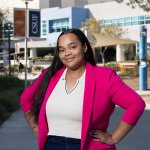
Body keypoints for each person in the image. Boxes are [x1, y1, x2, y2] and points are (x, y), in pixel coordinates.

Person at [20, 28, 145, 150]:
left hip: (88, 145)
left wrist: (114, 138)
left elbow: (136, 104)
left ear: (84, 48)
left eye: (72, 47)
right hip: (52, 144)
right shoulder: (50, 75)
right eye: (62, 50)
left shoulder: (105, 77)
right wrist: (36, 129)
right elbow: (26, 98)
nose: (67, 53)